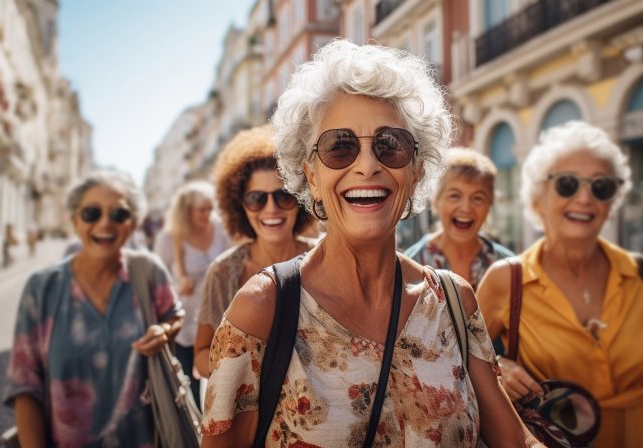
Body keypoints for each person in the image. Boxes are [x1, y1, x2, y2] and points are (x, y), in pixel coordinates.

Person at [200, 40, 538, 447]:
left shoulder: (454, 301)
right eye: (339, 146)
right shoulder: (261, 308)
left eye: (389, 145)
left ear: (415, 171)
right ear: (310, 176)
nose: (367, 164)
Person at [476, 121, 643, 448]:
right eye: (567, 184)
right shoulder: (506, 280)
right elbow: (463, 362)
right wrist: (499, 368)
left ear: (612, 202)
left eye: (601, 187)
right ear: (538, 199)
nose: (585, 198)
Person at [5, 170, 184, 447]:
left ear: (133, 223)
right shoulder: (42, 288)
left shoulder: (148, 271)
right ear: (75, 220)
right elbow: (25, 386)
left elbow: (174, 314)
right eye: (91, 213)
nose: (105, 224)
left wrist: (165, 330)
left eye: (119, 214)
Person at [193, 124, 315, 379]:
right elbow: (201, 353)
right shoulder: (223, 272)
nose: (271, 209)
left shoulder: (326, 258)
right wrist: (245, 377)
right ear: (240, 206)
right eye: (256, 198)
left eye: (284, 196)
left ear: (301, 198)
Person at [404, 147, 514, 289]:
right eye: (454, 196)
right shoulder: (411, 264)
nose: (466, 208)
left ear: (489, 205)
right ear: (436, 201)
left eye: (478, 198)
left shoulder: (509, 266)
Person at [161, 180, 231, 404]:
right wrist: (177, 283)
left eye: (210, 209)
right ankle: (194, 429)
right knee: (188, 380)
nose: (208, 214)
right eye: (202, 210)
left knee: (219, 375)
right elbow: (159, 280)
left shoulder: (219, 228)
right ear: (187, 210)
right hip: (185, 320)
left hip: (217, 316)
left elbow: (234, 263)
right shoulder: (170, 237)